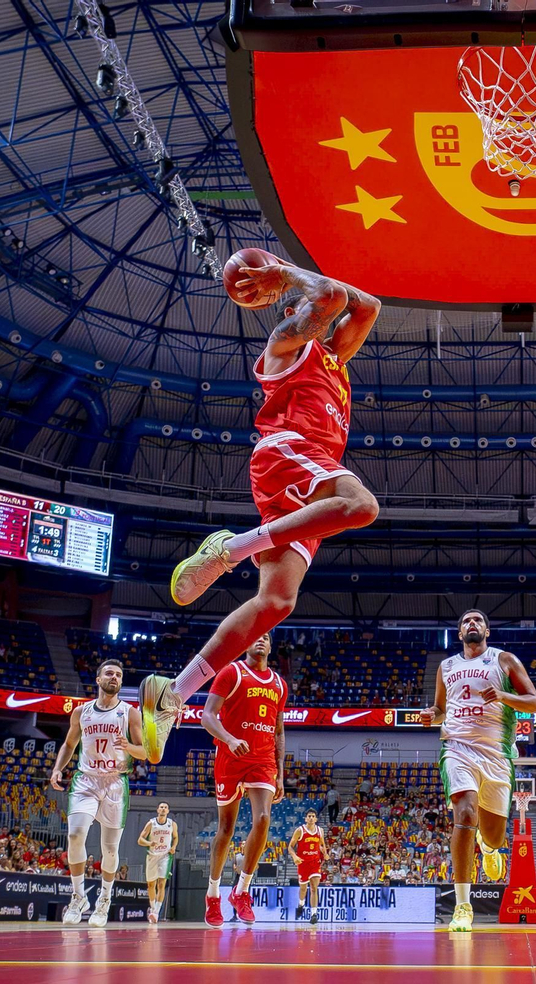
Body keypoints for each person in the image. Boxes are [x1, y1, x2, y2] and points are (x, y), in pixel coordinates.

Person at [149, 259, 382, 722]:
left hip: (307, 483)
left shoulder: (335, 358)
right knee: (361, 506)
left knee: (277, 602)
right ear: (292, 311)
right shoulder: (286, 344)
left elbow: (369, 305)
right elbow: (332, 298)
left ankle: (173, 693)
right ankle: (231, 549)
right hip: (289, 451)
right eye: (311, 306)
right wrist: (284, 272)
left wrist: (295, 275)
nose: (327, 314)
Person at [421, 609, 536, 932]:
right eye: (465, 621)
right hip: (457, 749)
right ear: (459, 633)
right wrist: (430, 715)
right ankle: (463, 906)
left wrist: (502, 695)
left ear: (487, 630)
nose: (471, 624)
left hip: (497, 755)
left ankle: (489, 847)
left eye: (477, 620)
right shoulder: (446, 667)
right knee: (464, 814)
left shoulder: (505, 661)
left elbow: (535, 703)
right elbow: (440, 711)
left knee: (492, 834)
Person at [46, 658, 148, 929]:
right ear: (98, 679)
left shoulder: (130, 713)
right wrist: (58, 769)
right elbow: (69, 744)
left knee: (109, 848)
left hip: (116, 782)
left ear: (121, 682)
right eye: (109, 673)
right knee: (76, 835)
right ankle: (78, 897)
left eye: (118, 675)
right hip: (86, 780)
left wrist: (128, 745)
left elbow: (144, 752)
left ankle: (104, 898)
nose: (114, 677)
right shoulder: (81, 712)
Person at [201, 633, 288, 927]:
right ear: (246, 644)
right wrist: (229, 737)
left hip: (263, 760)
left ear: (271, 646)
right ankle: (213, 894)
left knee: (263, 819)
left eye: (266, 637)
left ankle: (242, 891)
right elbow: (208, 716)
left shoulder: (279, 684)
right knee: (225, 828)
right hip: (231, 757)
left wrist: (280, 772)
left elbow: (278, 732)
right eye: (255, 636)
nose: (261, 640)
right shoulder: (231, 672)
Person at [136, 802, 179, 923]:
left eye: (165, 807)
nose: (163, 809)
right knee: (151, 885)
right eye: (161, 807)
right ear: (157, 810)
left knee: (161, 884)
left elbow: (175, 837)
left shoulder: (172, 824)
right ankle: (152, 907)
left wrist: (174, 847)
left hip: (165, 856)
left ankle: (156, 912)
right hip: (152, 856)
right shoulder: (151, 823)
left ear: (168, 811)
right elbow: (140, 840)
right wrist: (149, 843)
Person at [288, 808, 327, 923]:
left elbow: (322, 844)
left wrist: (325, 853)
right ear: (305, 818)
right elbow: (290, 847)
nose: (311, 818)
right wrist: (295, 857)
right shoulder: (300, 830)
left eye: (313, 816)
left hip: (315, 863)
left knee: (314, 888)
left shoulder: (320, 831)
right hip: (303, 863)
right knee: (303, 888)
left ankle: (314, 914)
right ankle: (301, 904)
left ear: (316, 819)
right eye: (309, 816)